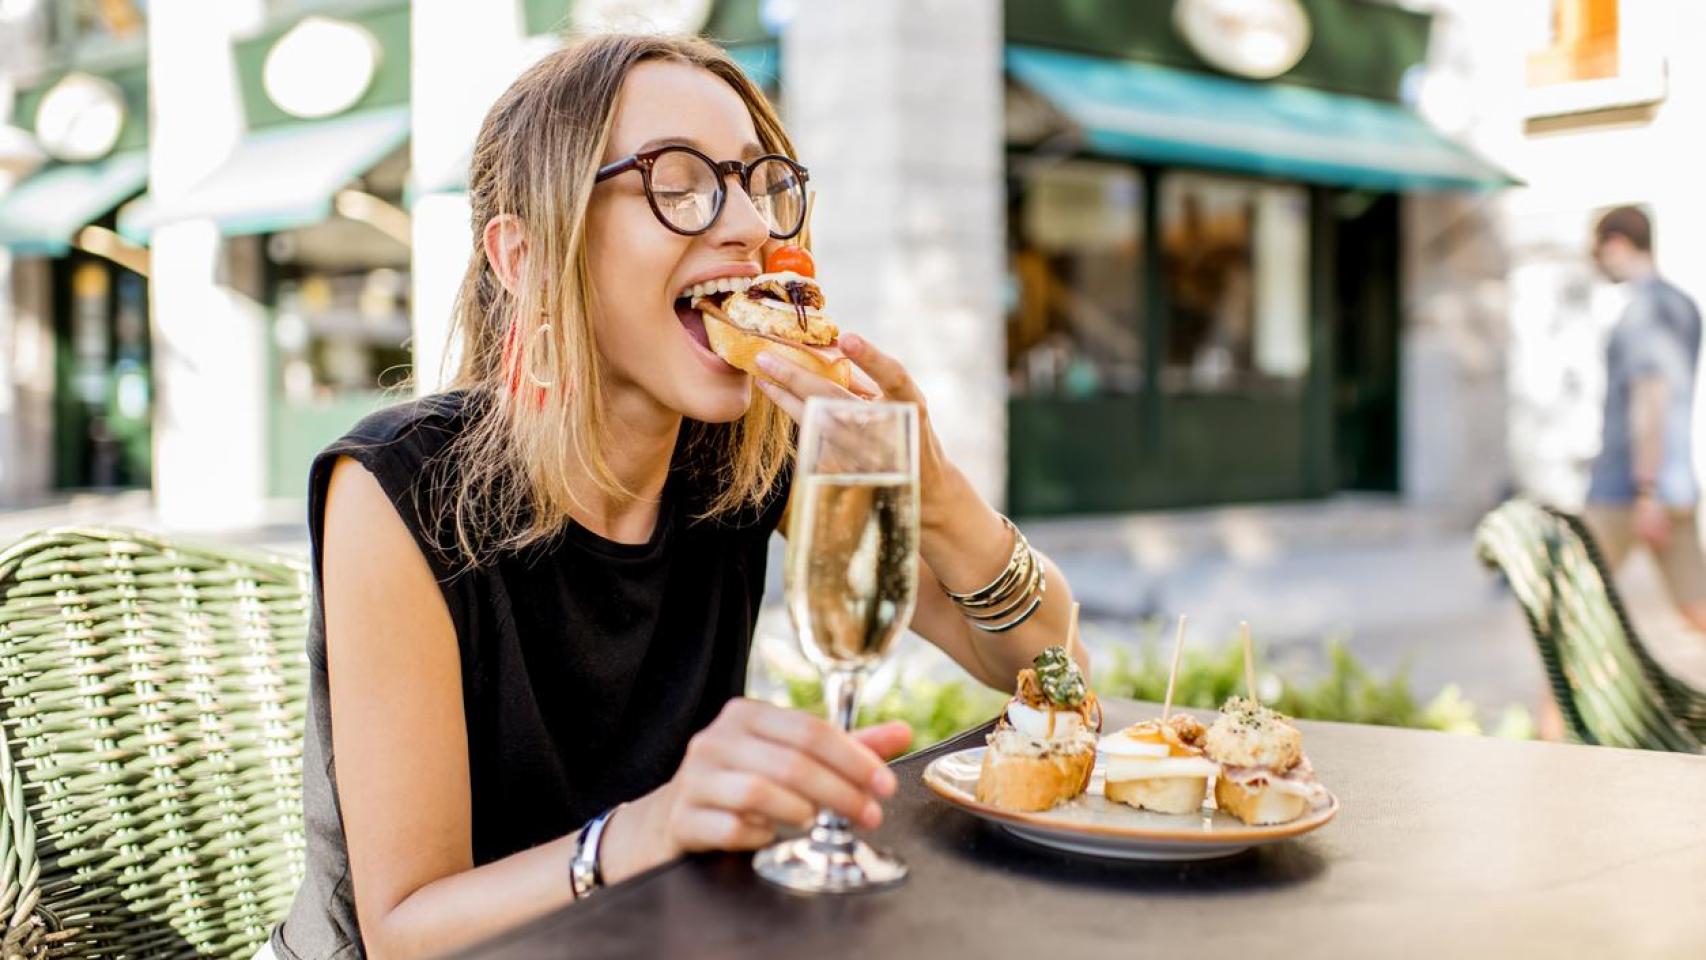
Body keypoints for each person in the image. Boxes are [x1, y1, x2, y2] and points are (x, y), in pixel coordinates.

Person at [269, 33, 1082, 960]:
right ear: (526, 254)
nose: (749, 224)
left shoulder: (740, 457)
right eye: (680, 182)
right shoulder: (396, 488)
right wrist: (649, 831)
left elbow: (1049, 668)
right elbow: (404, 929)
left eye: (756, 181)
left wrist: (932, 492)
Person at [1584, 206, 1706, 635]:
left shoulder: (1643, 312)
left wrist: (1645, 490)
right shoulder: (1683, 305)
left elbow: (1649, 401)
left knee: (1568, 607)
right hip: (1674, 487)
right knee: (1697, 606)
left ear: (1616, 244)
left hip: (1627, 490)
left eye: (1599, 253)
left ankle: (1552, 706)